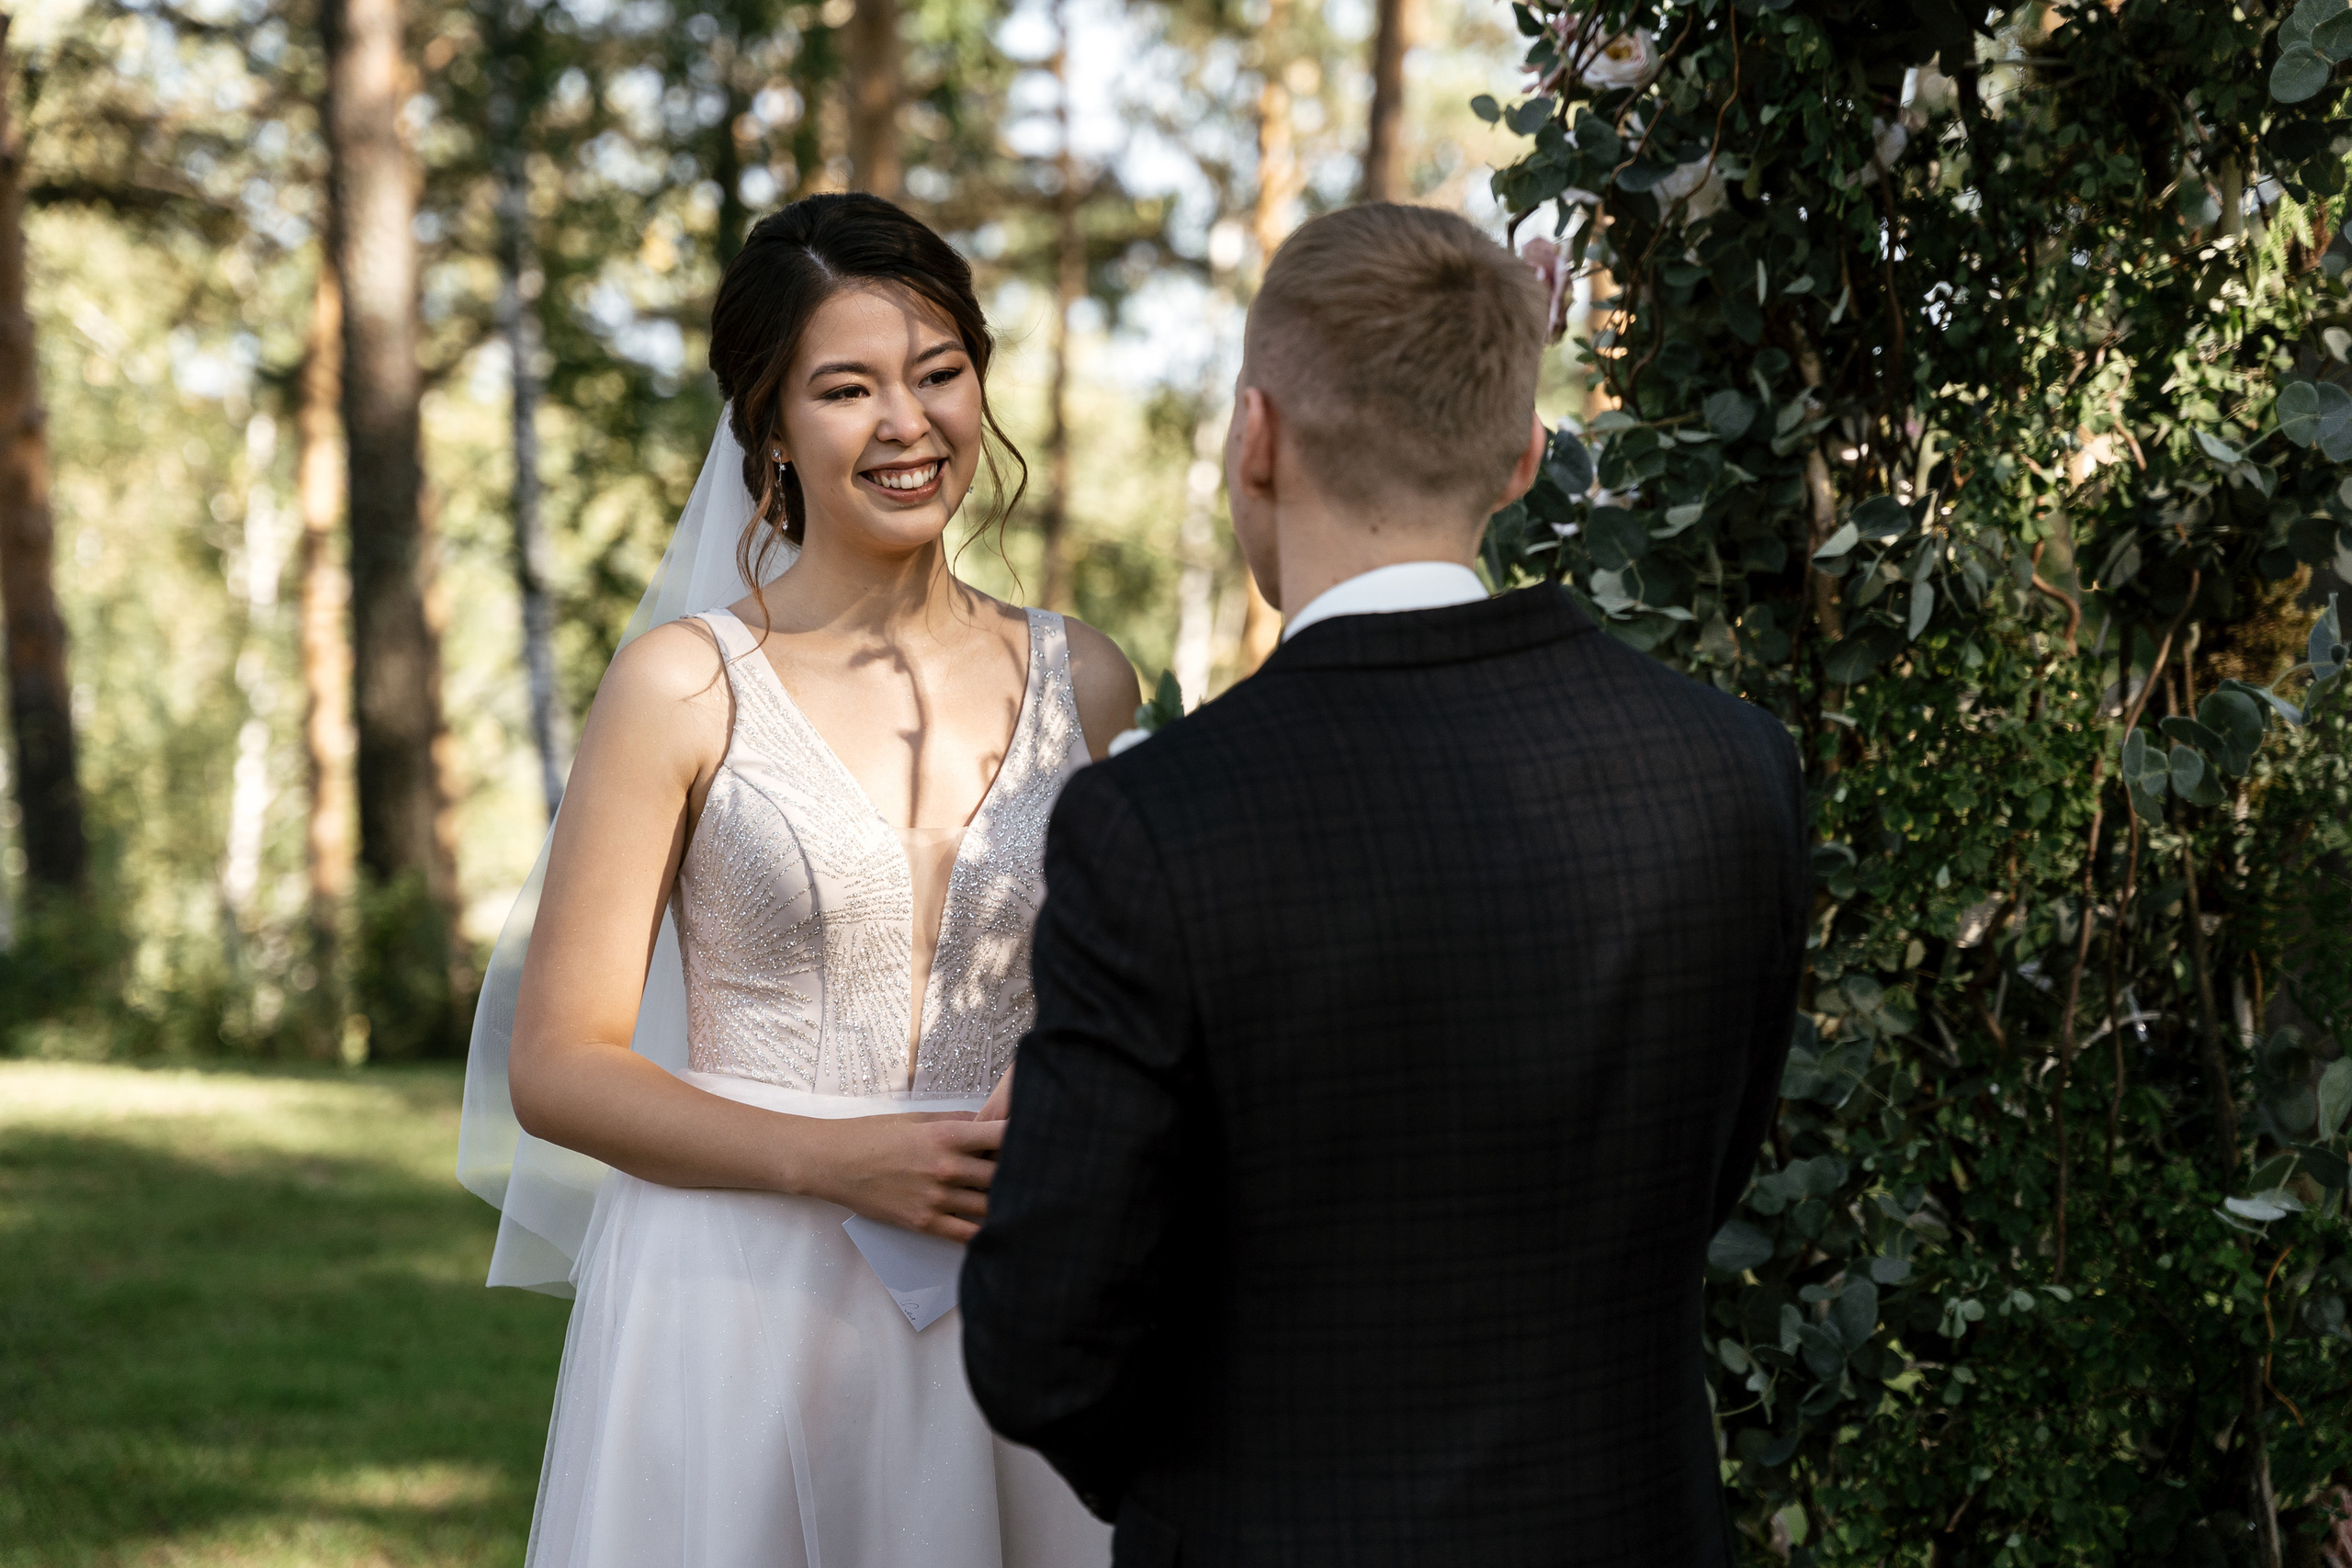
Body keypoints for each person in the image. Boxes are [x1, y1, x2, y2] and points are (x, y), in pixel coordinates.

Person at [960, 202, 1810, 1566]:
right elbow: (1697, 1178)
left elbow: (1045, 1344)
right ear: (1526, 458)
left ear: (1258, 435)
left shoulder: (1158, 820)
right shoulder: (1735, 771)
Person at [473, 193, 1131, 1568]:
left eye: (938, 374)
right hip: (738, 1296)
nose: (908, 424)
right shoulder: (683, 686)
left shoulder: (1096, 680)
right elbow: (561, 1066)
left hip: (1016, 1287)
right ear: (769, 426)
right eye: (848, 389)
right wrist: (848, 1161)